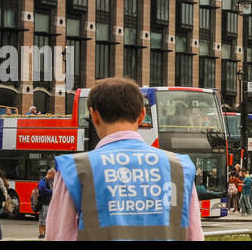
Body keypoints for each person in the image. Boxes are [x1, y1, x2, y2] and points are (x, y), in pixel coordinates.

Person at [47, 77, 203, 241]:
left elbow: (58, 236)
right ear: (142, 114)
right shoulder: (180, 168)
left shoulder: (73, 170)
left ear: (94, 115)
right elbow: (194, 236)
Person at [35, 167, 55, 238]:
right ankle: (41, 234)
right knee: (43, 219)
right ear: (50, 174)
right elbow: (42, 189)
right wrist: (52, 191)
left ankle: (46, 234)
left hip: (48, 203)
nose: (54, 177)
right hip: (44, 203)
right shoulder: (43, 181)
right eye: (53, 175)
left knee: (47, 219)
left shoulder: (50, 181)